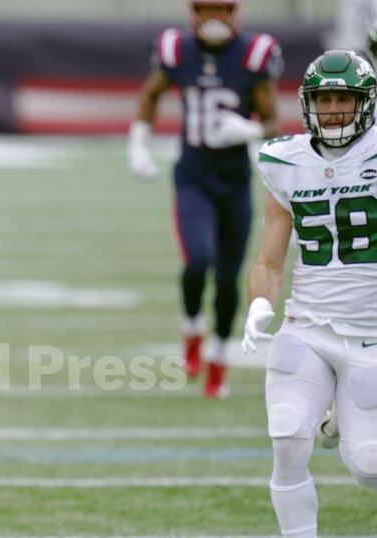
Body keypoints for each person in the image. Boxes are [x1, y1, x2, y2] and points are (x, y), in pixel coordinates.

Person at [243, 49, 377, 538]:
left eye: (345, 99)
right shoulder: (285, 160)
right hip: (308, 326)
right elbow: (272, 258)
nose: (336, 110)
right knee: (287, 438)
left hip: (371, 335)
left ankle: (340, 417)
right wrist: (259, 304)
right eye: (325, 99)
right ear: (308, 104)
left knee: (368, 469)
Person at [128, 0, 282, 397]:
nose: (215, 19)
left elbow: (271, 121)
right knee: (198, 260)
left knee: (230, 278)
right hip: (194, 175)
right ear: (193, 13)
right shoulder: (177, 49)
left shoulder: (254, 53)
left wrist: (247, 130)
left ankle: (218, 360)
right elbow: (151, 94)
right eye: (207, 9)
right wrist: (139, 146)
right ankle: (193, 330)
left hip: (234, 180)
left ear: (235, 13)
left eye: (221, 9)